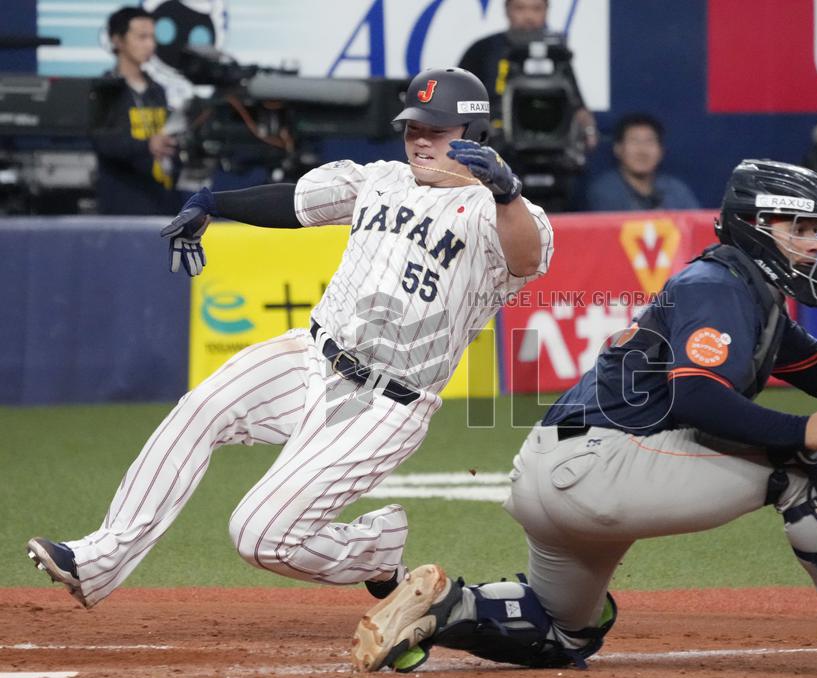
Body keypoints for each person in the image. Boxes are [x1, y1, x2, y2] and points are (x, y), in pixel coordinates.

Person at [349, 160, 817, 678]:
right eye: (799, 226)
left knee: (563, 633)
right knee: (805, 468)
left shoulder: (741, 290)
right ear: (756, 226)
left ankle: (444, 607)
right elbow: (697, 397)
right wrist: (799, 433)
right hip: (602, 466)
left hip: (553, 466)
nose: (812, 241)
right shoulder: (719, 286)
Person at [25, 67, 552, 610]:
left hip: (386, 403)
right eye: (412, 125)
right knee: (202, 407)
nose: (420, 138)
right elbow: (295, 202)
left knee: (258, 536)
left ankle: (374, 550)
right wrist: (212, 203)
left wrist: (506, 193)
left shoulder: (503, 214)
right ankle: (99, 558)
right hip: (310, 356)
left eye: (436, 129)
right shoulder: (380, 179)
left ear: (476, 135)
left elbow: (527, 257)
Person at [458, 0, 597, 150]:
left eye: (536, 9)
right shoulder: (484, 49)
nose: (529, 16)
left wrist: (588, 129)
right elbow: (457, 100)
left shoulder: (557, 54)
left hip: (550, 143)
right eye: (520, 8)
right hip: (495, 144)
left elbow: (577, 105)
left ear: (546, 11)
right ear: (507, 10)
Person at [91, 6, 179, 215]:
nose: (150, 44)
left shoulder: (157, 90)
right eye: (141, 37)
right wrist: (148, 145)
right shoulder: (104, 89)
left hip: (162, 200)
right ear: (117, 40)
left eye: (152, 37)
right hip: (123, 204)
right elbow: (104, 143)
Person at [585, 113, 699, 211]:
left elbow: (698, 229)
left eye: (649, 141)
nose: (642, 150)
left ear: (661, 151)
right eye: (634, 141)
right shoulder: (605, 192)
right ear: (618, 149)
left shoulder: (676, 191)